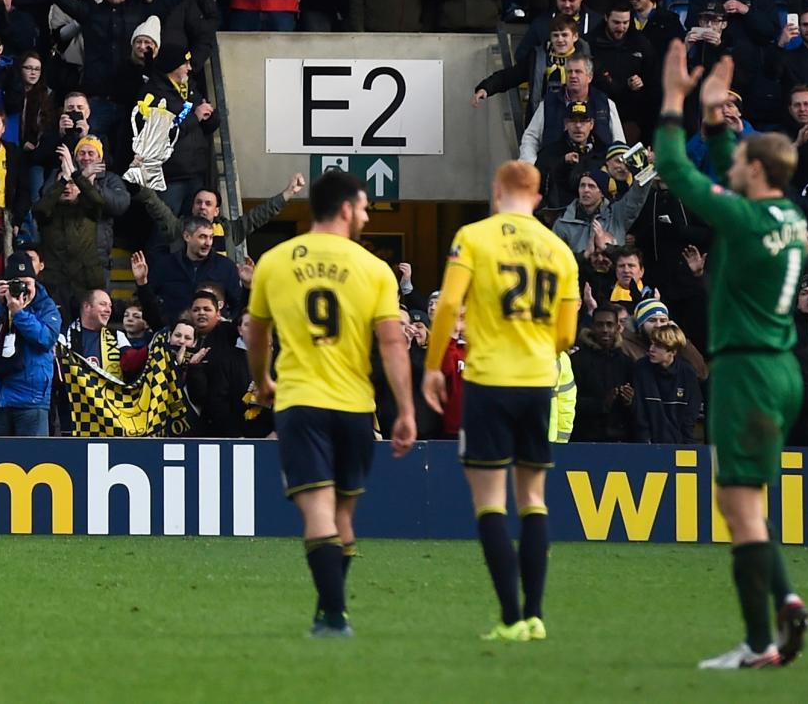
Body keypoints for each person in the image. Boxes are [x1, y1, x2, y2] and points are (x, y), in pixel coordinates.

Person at [652, 41, 808, 670]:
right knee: (751, 504)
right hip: (781, 367)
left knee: (739, 507)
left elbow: (677, 169)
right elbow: (725, 167)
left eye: (740, 158)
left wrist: (673, 100)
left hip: (745, 369)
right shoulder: (789, 215)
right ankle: (788, 601)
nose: (732, 163)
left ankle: (758, 643)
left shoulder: (744, 221)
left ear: (756, 171)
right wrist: (716, 119)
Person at [244, 167, 415, 638]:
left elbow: (257, 333)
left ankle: (334, 616)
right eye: (362, 206)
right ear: (344, 209)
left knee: (319, 512)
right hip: (356, 408)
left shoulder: (275, 262)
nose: (365, 214)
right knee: (342, 515)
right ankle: (330, 613)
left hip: (300, 403)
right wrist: (405, 409)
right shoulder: (374, 269)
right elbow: (393, 344)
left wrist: (262, 381)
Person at [422, 160, 578, 643]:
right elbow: (568, 334)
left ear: (497, 192)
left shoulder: (474, 237)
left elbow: (448, 305)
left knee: (489, 501)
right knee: (533, 500)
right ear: (535, 196)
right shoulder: (560, 250)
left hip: (488, 381)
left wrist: (431, 366)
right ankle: (536, 616)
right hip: (537, 382)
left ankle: (510, 617)